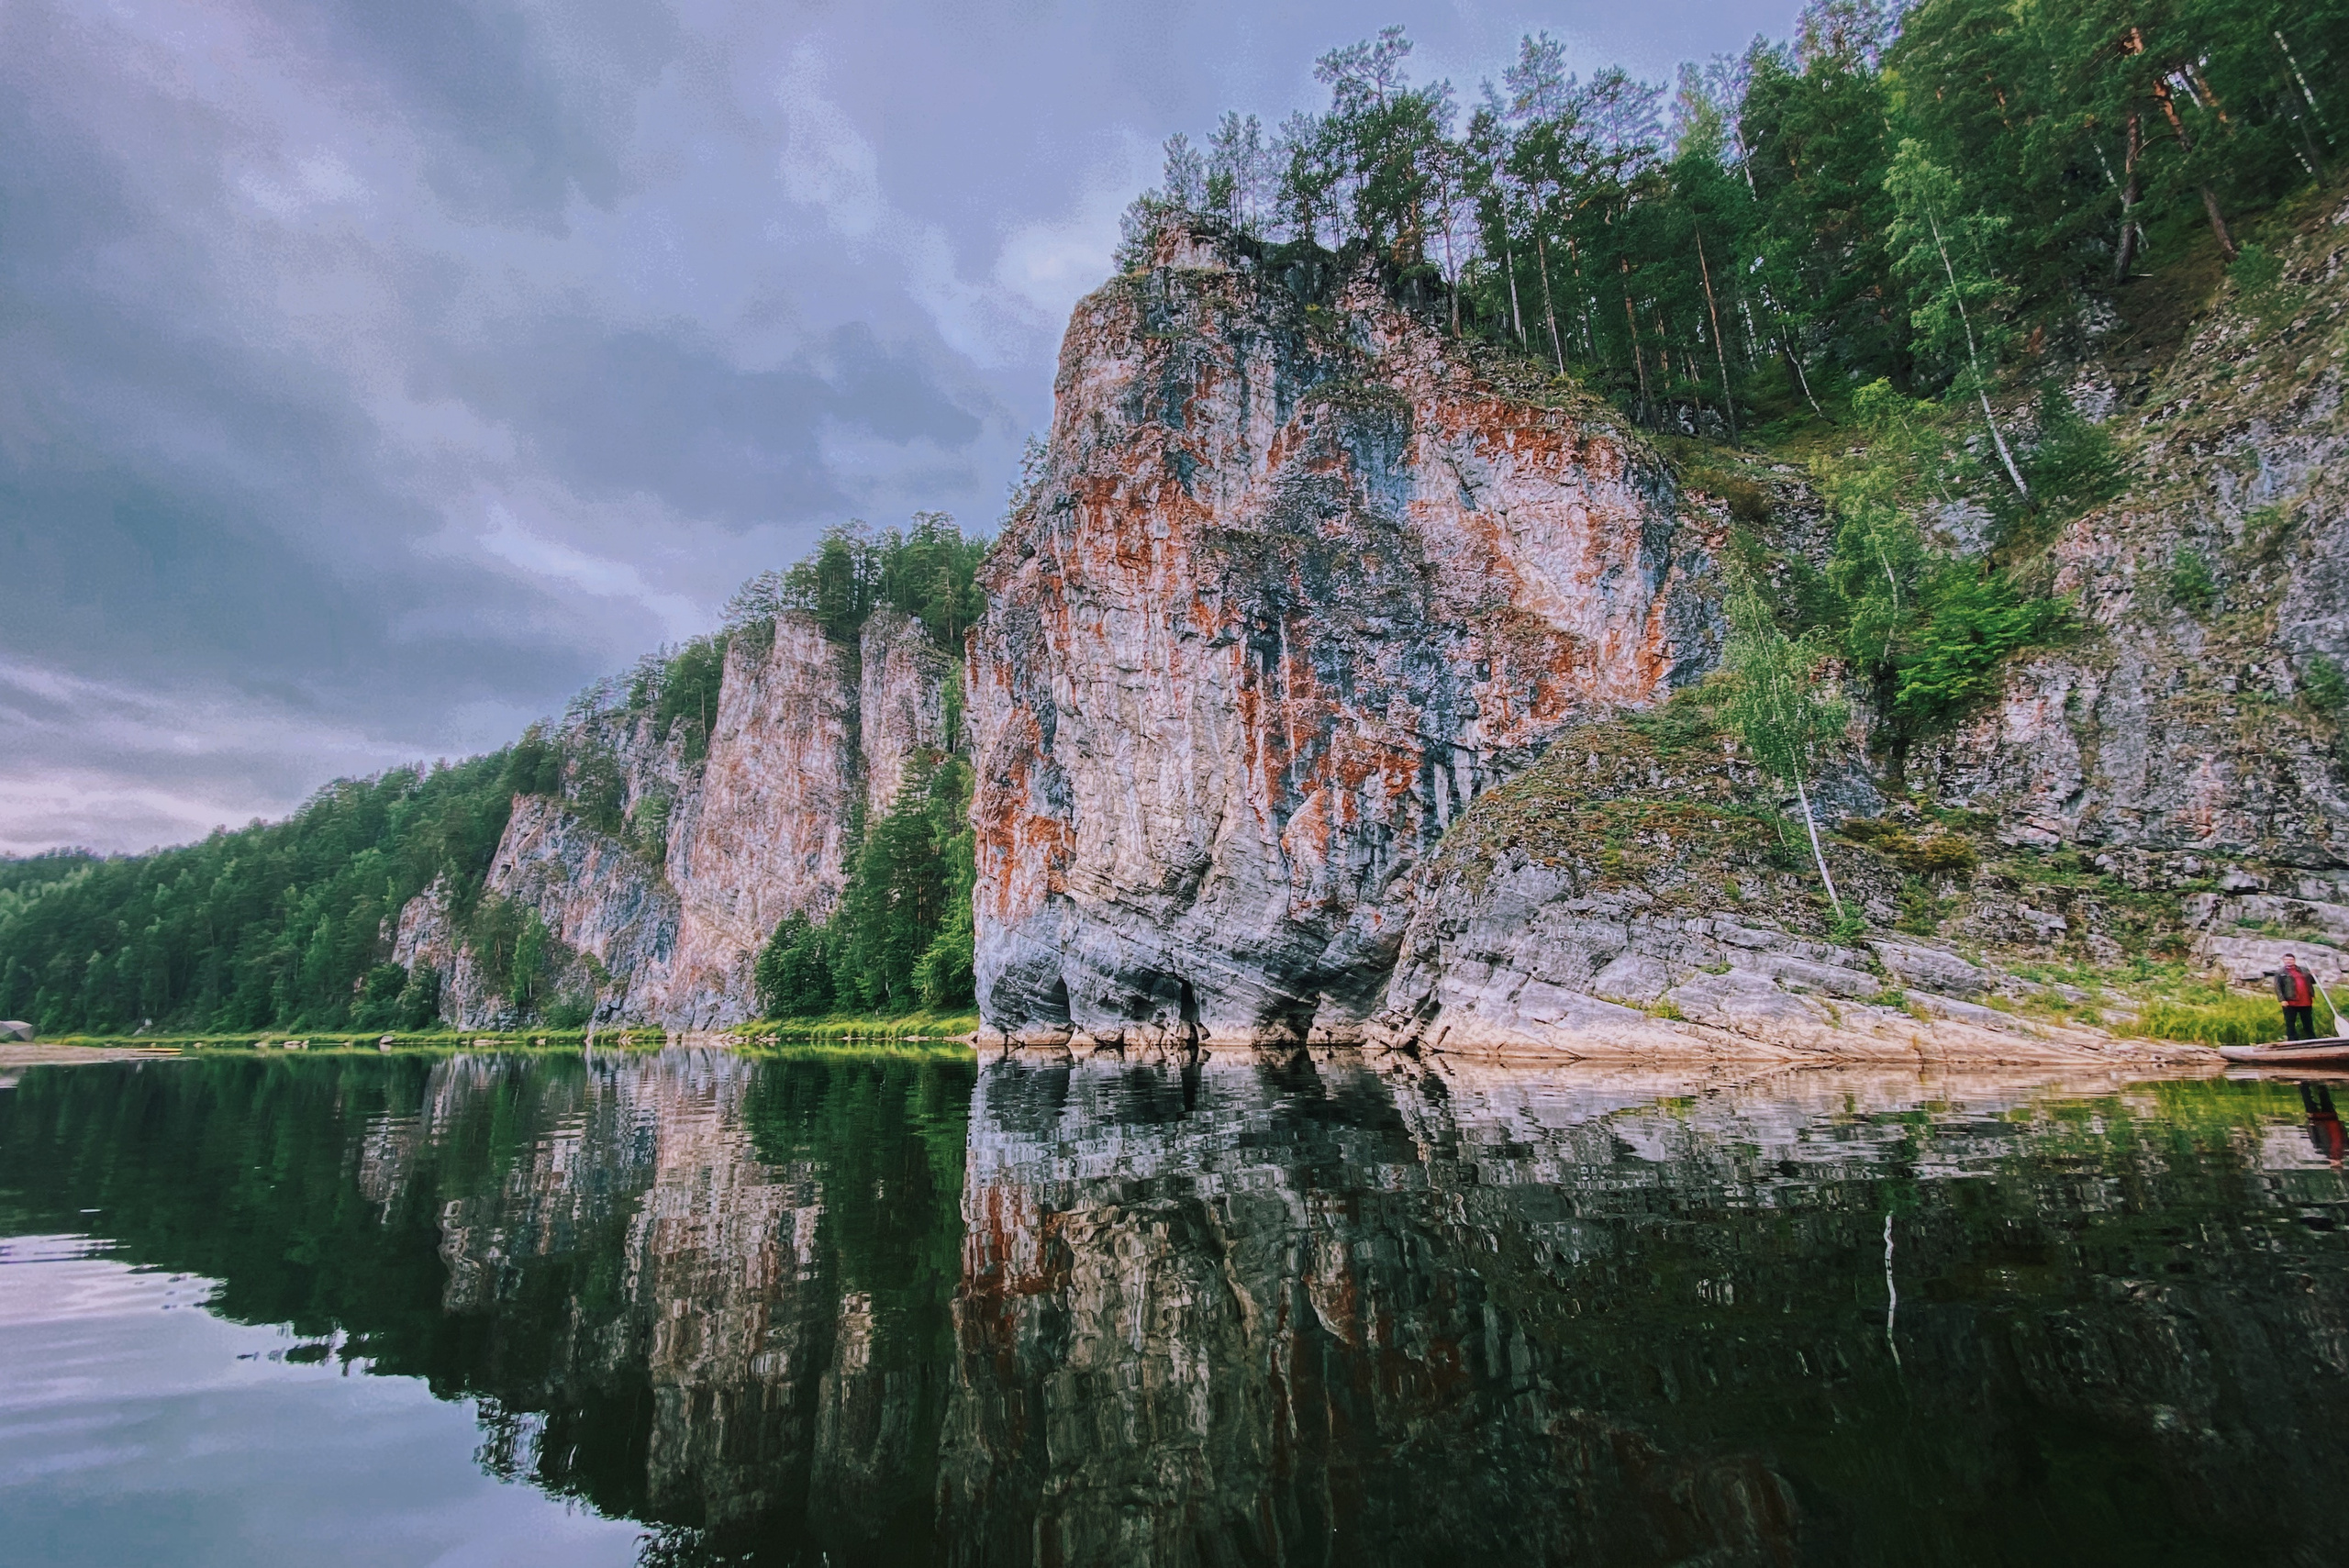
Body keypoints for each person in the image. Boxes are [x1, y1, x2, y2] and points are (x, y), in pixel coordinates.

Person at [2275, 954, 2319, 1041]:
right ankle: (2292, 1040)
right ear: (2283, 960)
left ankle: (2312, 1039)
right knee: (2290, 1023)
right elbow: (2277, 987)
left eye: (2291, 959)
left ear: (2294, 960)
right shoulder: (2280, 972)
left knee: (2308, 1022)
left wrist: (2313, 975)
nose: (2289, 961)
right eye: (2286, 959)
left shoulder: (2303, 970)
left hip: (2306, 1001)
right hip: (2290, 1001)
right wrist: (2282, 1000)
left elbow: (2313, 982)